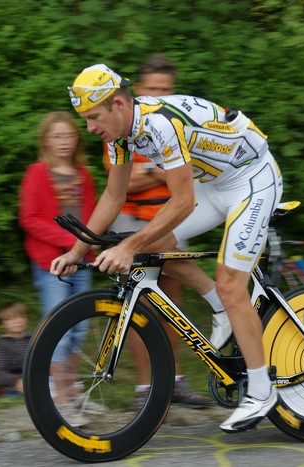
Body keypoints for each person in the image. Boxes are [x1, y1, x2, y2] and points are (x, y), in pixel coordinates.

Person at [54, 64, 283, 433]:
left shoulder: (158, 123)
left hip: (252, 178)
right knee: (155, 242)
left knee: (229, 281)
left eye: (93, 117)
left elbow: (181, 202)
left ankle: (261, 392)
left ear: (117, 104)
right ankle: (219, 306)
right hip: (216, 182)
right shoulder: (119, 136)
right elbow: (115, 195)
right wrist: (76, 251)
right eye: (85, 120)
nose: (90, 128)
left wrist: (128, 245)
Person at [102, 55, 211, 409]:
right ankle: (145, 386)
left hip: (173, 215)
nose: (160, 96)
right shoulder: (118, 128)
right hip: (134, 221)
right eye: (153, 90)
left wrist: (153, 174)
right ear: (138, 93)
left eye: (167, 90)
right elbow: (123, 186)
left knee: (173, 301)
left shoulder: (168, 123)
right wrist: (157, 172)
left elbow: (184, 179)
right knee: (139, 304)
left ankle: (175, 380)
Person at [19, 111, 101, 426]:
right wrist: (70, 241)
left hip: (82, 261)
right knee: (58, 330)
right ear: (46, 141)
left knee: (78, 328)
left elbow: (93, 215)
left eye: (68, 135)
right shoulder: (37, 172)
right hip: (52, 263)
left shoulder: (83, 174)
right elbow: (30, 218)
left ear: (77, 138)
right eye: (57, 136)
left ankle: (72, 392)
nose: (63, 142)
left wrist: (88, 244)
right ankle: (61, 401)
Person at [0, 301, 30, 398]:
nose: (18, 321)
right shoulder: (2, 344)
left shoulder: (32, 340)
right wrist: (17, 381)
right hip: (14, 383)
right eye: (12, 319)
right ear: (2, 324)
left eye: (21, 317)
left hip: (34, 378)